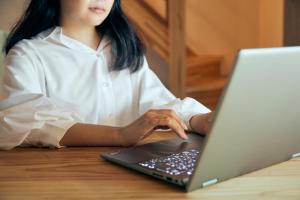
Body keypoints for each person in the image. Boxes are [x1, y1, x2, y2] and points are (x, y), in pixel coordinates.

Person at [0, 0, 214, 150]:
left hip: (129, 170)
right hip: (65, 175)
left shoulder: (124, 48)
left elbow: (161, 104)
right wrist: (120, 135)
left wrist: (199, 120)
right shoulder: (28, 53)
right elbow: (24, 123)